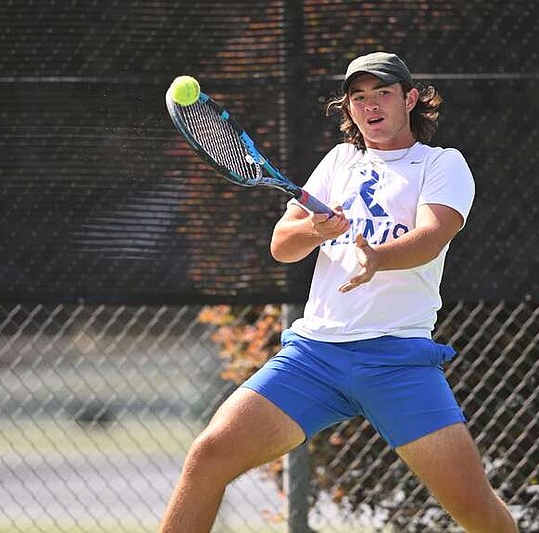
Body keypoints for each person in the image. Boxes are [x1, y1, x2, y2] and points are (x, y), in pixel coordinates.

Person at [159, 51, 518, 533]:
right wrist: (314, 230)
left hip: (396, 360)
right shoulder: (339, 161)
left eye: (383, 93)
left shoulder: (440, 164)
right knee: (210, 455)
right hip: (313, 358)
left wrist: (380, 257)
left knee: (476, 511)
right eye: (358, 97)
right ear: (348, 108)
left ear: (410, 99)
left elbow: (433, 236)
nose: (370, 105)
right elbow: (282, 247)